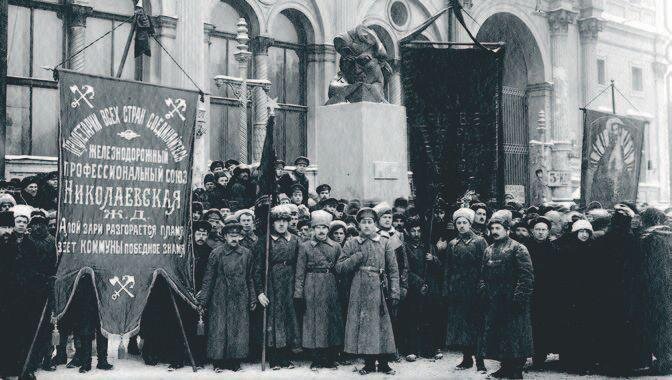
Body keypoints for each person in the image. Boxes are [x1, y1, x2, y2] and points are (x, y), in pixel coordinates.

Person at [335, 207, 400, 375]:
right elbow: (340, 267)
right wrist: (355, 258)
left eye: (370, 222)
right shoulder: (352, 243)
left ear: (375, 224)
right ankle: (369, 363)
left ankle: (384, 363)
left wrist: (394, 292)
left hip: (380, 287)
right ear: (358, 225)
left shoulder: (385, 242)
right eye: (363, 222)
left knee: (382, 326)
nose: (366, 226)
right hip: (360, 288)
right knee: (365, 326)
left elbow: (393, 270)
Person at [478, 212, 534, 379]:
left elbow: (526, 276)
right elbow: (482, 275)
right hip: (494, 301)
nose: (495, 231)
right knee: (499, 336)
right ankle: (505, 367)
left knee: (515, 337)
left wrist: (519, 298)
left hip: (513, 301)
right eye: (492, 228)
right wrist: (483, 291)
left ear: (507, 230)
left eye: (498, 228)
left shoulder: (518, 248)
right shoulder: (488, 250)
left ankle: (516, 370)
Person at [197, 221, 256, 372]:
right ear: (225, 237)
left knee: (238, 328)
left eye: (237, 236)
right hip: (220, 296)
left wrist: (253, 297)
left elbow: (250, 278)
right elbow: (208, 278)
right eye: (231, 236)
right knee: (219, 328)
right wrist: (203, 300)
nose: (234, 239)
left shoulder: (247, 254)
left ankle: (234, 360)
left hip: (240, 295)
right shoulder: (216, 253)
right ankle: (218, 361)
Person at [294, 210, 344, 370]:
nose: (321, 231)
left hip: (330, 285)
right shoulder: (305, 247)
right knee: (313, 321)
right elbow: (300, 272)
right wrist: (298, 293)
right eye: (317, 227)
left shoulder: (336, 247)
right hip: (311, 285)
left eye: (324, 227)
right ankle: (316, 358)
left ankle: (329, 357)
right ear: (312, 229)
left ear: (328, 229)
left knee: (330, 320)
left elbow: (340, 269)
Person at [254, 206, 301, 370]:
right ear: (272, 223)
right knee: (274, 319)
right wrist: (259, 291)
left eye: (284, 221)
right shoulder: (264, 241)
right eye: (277, 221)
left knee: (289, 317)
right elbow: (257, 268)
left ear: (289, 222)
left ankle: (286, 356)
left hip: (290, 281)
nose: (281, 224)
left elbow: (300, 264)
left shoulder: (295, 240)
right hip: (272, 283)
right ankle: (274, 358)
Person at [441, 208, 488, 372]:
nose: (461, 226)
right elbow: (448, 268)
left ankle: (480, 361)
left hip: (474, 290)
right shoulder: (453, 244)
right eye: (458, 223)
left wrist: (482, 286)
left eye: (464, 223)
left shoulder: (480, 242)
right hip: (458, 290)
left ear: (470, 224)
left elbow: (485, 266)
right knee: (461, 326)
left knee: (476, 325)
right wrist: (447, 288)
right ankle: (466, 359)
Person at [557, 219, 598, 374]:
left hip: (588, 296)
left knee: (587, 328)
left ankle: (587, 361)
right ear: (575, 233)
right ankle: (571, 362)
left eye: (586, 232)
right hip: (571, 296)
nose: (584, 235)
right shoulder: (566, 250)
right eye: (581, 232)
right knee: (572, 328)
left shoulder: (594, 249)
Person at [400, 217, 443, 362]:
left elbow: (440, 269)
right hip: (413, 288)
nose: (416, 234)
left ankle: (429, 348)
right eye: (413, 231)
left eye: (419, 231)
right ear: (408, 232)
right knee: (412, 318)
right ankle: (411, 349)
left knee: (429, 317)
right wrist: (418, 282)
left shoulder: (429, 247)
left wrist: (433, 260)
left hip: (430, 288)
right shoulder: (404, 248)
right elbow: (404, 269)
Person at [639, 207, 672, 375]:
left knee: (656, 325)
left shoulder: (647, 239)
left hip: (653, 289)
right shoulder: (669, 237)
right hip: (668, 289)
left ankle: (662, 361)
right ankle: (667, 359)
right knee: (666, 325)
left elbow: (643, 267)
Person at [525, 217, 559, 369]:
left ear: (548, 231)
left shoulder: (554, 248)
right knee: (531, 323)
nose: (540, 232)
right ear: (532, 231)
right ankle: (533, 352)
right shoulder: (525, 248)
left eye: (543, 230)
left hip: (548, 291)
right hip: (530, 291)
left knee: (544, 322)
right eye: (537, 229)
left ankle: (541, 354)